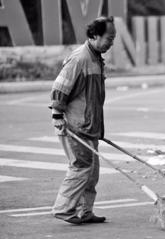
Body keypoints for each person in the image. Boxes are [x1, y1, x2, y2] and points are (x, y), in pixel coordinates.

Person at [49, 16, 116, 224]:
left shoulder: (95, 58)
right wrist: (57, 115)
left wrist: (98, 129)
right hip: (74, 126)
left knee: (92, 173)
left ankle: (84, 211)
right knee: (80, 168)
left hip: (89, 127)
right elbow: (60, 87)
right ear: (95, 35)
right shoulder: (80, 59)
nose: (111, 42)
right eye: (109, 37)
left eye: (113, 38)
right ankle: (64, 209)